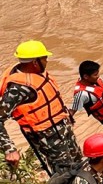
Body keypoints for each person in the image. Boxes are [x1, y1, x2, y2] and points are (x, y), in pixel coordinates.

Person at [0, 41, 82, 176]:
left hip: (62, 128)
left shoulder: (36, 72)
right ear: (34, 62)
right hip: (48, 138)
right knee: (65, 173)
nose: (47, 61)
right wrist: (10, 149)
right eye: (44, 58)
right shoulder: (18, 89)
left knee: (78, 162)